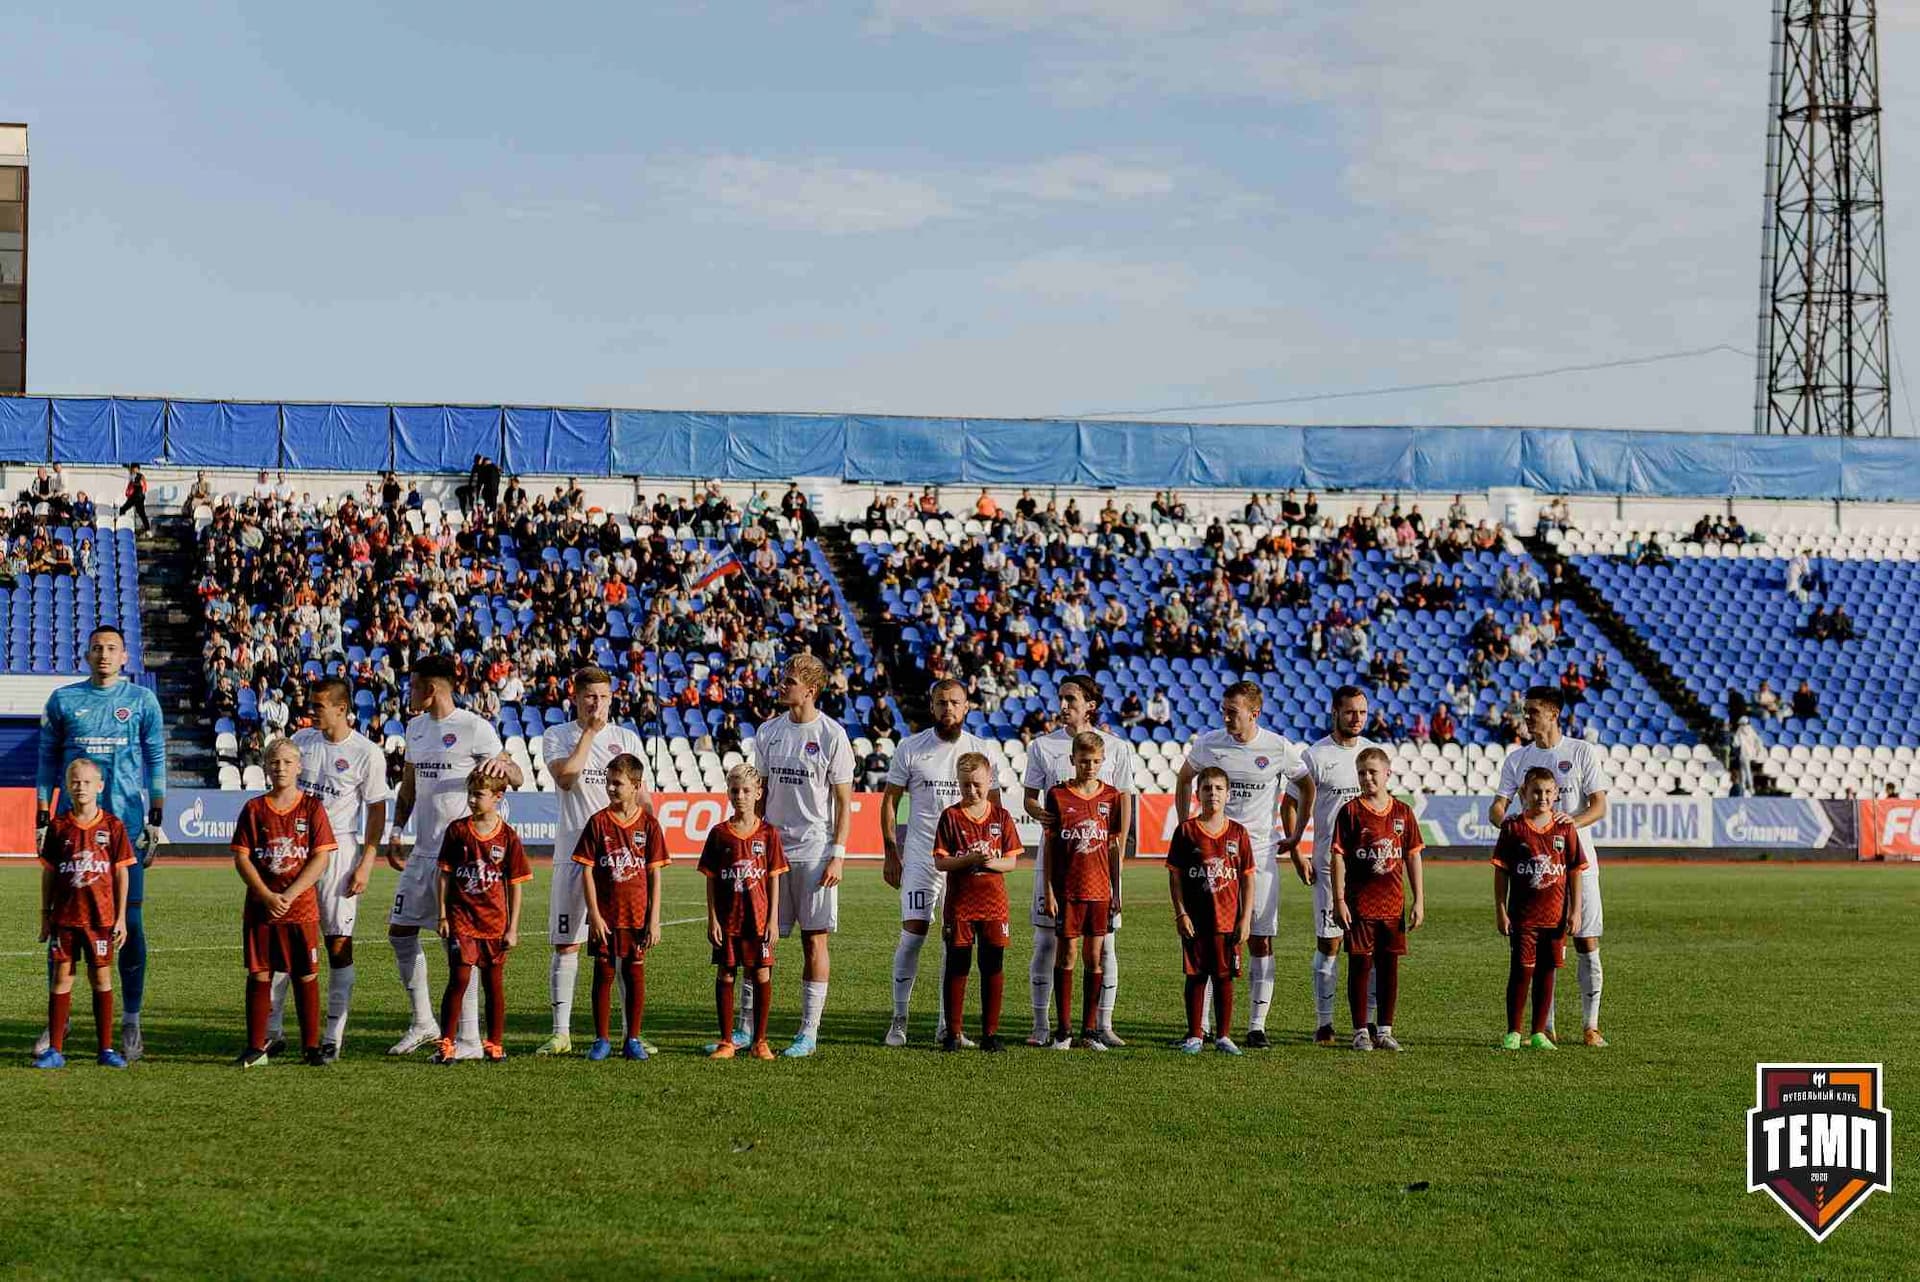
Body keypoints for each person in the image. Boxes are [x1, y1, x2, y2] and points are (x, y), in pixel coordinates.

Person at [34, 625, 166, 1062]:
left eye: (111, 649)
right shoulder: (64, 700)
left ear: (125, 656)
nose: (104, 655)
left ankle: (130, 1020)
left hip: (125, 827)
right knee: (61, 924)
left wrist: (157, 814)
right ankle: (61, 1020)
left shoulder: (142, 701)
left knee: (130, 925)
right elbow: (47, 759)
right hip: (72, 828)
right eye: (96, 649)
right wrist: (41, 813)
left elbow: (155, 757)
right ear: (86, 655)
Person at [385, 655, 523, 1058]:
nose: (409, 694)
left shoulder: (474, 728)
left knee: (461, 947)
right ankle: (424, 1022)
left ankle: (467, 1040)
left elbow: (513, 777)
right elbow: (408, 787)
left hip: (464, 857)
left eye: (413, 686)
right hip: (423, 850)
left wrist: (507, 766)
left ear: (432, 689)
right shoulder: (414, 728)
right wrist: (397, 829)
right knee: (400, 932)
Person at [1173, 681, 1313, 1049]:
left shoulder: (1278, 746)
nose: (1226, 716)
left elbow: (1307, 784)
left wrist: (1297, 835)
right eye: (1224, 709)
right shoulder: (1209, 743)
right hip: (1210, 857)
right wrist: (1185, 826)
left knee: (1260, 939)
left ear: (1254, 713)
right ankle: (1199, 1030)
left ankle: (1256, 1026)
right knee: (1202, 941)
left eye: (1233, 711)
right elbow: (1184, 777)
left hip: (1259, 856)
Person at [267, 677, 389, 1061]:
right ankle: (273, 1030)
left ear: (341, 708)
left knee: (338, 943)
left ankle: (334, 1034)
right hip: (296, 851)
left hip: (339, 851)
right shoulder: (301, 744)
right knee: (284, 940)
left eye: (319, 706)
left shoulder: (366, 753)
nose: (312, 712)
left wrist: (367, 861)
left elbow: (376, 809)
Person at [1488, 687, 1609, 1046]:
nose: (1526, 717)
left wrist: (1569, 823)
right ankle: (1545, 1028)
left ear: (1554, 713)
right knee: (1541, 945)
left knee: (1586, 940)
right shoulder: (1517, 759)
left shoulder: (1581, 752)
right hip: (1532, 871)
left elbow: (1599, 805)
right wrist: (1514, 824)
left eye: (1533, 711)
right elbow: (1497, 808)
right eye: (1526, 712)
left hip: (1575, 863)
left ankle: (1591, 1025)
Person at [536, 667, 648, 1057]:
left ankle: (627, 1034)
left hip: (620, 864)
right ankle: (561, 1032)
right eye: (589, 697)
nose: (596, 703)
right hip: (573, 857)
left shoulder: (627, 738)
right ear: (576, 696)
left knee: (621, 948)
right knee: (566, 944)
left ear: (612, 696)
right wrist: (589, 734)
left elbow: (642, 799)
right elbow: (566, 778)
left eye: (602, 696)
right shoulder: (558, 735)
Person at [745, 654, 854, 1058]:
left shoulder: (831, 735)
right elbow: (761, 795)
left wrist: (838, 855)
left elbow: (844, 803)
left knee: (814, 941)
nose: (781, 685)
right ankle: (746, 1029)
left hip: (814, 850)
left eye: (789, 681)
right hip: (770, 850)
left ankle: (808, 1032)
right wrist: (749, 842)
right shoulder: (768, 731)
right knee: (756, 939)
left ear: (810, 690)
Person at [880, 678, 998, 1048]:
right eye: (941, 702)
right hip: (920, 859)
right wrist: (891, 852)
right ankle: (899, 1021)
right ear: (931, 707)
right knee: (913, 935)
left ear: (967, 707)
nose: (948, 709)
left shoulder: (980, 750)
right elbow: (890, 801)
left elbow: (993, 808)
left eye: (955, 702)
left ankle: (949, 1026)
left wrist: (986, 857)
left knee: (956, 944)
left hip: (964, 864)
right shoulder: (912, 748)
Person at [1021, 674, 1136, 1047]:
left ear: (1091, 704)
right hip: (1059, 860)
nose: (1064, 705)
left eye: (1072, 698)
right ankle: (1043, 1025)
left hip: (1099, 865)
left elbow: (1124, 802)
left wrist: (1116, 846)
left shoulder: (1117, 748)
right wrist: (1043, 815)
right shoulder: (1042, 746)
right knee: (1045, 942)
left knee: (1105, 947)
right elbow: (1030, 799)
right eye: (1061, 698)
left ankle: (1102, 1024)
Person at [231, 738, 338, 1067]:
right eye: (275, 762)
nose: (280, 768)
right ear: (265, 766)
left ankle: (310, 1046)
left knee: (306, 973)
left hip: (301, 909)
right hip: (261, 909)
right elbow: (241, 857)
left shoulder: (312, 808)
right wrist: (266, 894)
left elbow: (321, 858)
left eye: (288, 762)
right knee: (260, 973)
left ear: (299, 767)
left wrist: (290, 895)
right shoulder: (254, 808)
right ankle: (256, 1045)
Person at [1287, 685, 1378, 1044]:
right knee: (1330, 943)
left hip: (1370, 872)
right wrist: (1296, 849)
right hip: (1328, 867)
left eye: (1362, 713)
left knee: (1368, 947)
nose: (1357, 719)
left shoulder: (1374, 754)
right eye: (1350, 712)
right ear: (1335, 713)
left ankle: (1368, 1021)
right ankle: (1324, 1022)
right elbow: (1291, 803)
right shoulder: (1315, 756)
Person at [34, 758, 136, 1069]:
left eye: (87, 782)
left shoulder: (113, 827)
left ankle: (105, 1048)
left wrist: (120, 918)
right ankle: (55, 1050)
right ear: (67, 786)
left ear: (100, 787)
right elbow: (50, 873)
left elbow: (121, 874)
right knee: (62, 977)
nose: (81, 787)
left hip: (100, 918)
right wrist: (45, 914)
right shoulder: (59, 826)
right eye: (75, 782)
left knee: (101, 977)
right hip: (65, 917)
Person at [573, 754, 669, 1062]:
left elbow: (654, 873)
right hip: (606, 916)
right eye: (608, 782)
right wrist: (594, 914)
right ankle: (601, 1038)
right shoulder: (598, 822)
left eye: (618, 783)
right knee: (603, 973)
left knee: (634, 974)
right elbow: (586, 870)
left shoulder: (649, 825)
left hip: (637, 915)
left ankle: (633, 1038)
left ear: (636, 786)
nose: (611, 788)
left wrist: (654, 920)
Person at [432, 772, 531, 1064]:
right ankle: (446, 1042)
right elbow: (444, 875)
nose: (472, 800)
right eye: (470, 794)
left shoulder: (508, 837)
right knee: (459, 978)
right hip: (462, 919)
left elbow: (515, 884)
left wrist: (513, 927)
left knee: (493, 984)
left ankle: (495, 1042)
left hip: (494, 923)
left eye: (479, 795)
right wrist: (442, 915)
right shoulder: (457, 831)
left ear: (497, 797)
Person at [1328, 748, 1424, 1052]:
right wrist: (1339, 899)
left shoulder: (1403, 813)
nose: (1367, 777)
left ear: (1387, 774)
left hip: (1392, 905)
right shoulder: (1351, 812)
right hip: (1359, 906)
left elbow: (1412, 856)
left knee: (1388, 967)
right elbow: (1338, 856)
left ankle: (1384, 1029)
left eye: (1372, 772)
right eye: (1361, 773)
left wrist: (1419, 899)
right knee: (1359, 965)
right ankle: (1360, 1031)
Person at [931, 752, 1023, 1052]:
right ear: (958, 783)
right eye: (966, 785)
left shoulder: (1001, 817)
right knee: (958, 965)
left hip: (994, 904)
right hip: (960, 905)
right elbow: (941, 863)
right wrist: (969, 859)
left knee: (992, 964)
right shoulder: (951, 816)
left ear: (989, 781)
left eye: (977, 785)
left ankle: (990, 1033)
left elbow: (1011, 863)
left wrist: (989, 862)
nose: (971, 791)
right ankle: (954, 1033)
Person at [1491, 768, 1584, 1050]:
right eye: (1536, 792)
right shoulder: (1513, 828)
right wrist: (1500, 909)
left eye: (1547, 792)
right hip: (1523, 916)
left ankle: (1538, 1032)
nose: (1542, 797)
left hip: (1555, 916)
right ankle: (1513, 1032)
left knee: (1547, 971)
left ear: (1556, 794)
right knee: (1521, 970)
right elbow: (1501, 871)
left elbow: (1574, 870)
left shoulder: (1565, 828)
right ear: (1524, 794)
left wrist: (1575, 910)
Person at [1043, 732, 1124, 1051]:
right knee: (1067, 955)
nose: (1089, 766)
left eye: (1095, 761)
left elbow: (1114, 847)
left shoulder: (1112, 797)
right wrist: (1049, 890)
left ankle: (1089, 1031)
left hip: (1100, 891)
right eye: (1084, 760)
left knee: (1095, 956)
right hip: (1068, 891)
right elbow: (1050, 845)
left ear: (1102, 762)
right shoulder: (1058, 795)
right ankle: (1063, 1031)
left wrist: (1117, 891)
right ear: (1073, 760)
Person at [1165, 766, 1254, 1056]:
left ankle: (1224, 1036)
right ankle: (1194, 1034)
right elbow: (1175, 875)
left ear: (1228, 794)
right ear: (1197, 793)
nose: (1212, 793)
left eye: (1218, 788)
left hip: (1228, 921)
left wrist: (1245, 918)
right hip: (1196, 921)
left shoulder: (1238, 833)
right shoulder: (1187, 831)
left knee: (1224, 977)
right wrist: (1181, 913)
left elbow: (1247, 877)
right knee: (1195, 976)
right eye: (1207, 788)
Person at [700, 764, 786, 1061]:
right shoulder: (719, 834)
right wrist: (712, 918)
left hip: (758, 919)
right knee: (726, 973)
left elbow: (774, 877)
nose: (740, 796)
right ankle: (726, 1041)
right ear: (727, 792)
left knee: (761, 972)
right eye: (735, 790)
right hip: (728, 920)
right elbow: (711, 878)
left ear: (758, 793)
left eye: (747, 791)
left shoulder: (768, 834)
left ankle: (760, 1041)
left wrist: (774, 918)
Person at [120, 464, 150, 533]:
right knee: (123, 509)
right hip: (132, 497)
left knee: (141, 513)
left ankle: (147, 529)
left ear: (137, 469)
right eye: (133, 469)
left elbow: (144, 487)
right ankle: (122, 525)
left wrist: (141, 494)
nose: (133, 470)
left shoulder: (141, 476)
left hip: (139, 497)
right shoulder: (132, 475)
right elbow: (130, 484)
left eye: (135, 469)